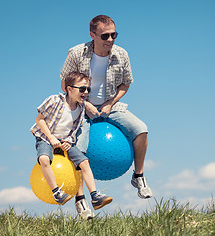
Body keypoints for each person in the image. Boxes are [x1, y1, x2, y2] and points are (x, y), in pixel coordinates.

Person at [59, 15, 153, 199]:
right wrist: (84, 104)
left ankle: (139, 176)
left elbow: (126, 84)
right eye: (105, 36)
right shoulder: (76, 53)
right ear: (93, 35)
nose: (110, 40)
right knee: (77, 148)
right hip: (81, 107)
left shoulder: (122, 54)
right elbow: (64, 84)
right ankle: (80, 199)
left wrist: (110, 103)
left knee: (141, 130)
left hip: (110, 106)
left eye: (113, 35)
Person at [30, 71, 112, 220]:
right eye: (82, 89)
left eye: (88, 89)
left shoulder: (81, 107)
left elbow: (75, 128)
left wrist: (69, 140)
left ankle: (95, 196)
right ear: (69, 89)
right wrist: (51, 138)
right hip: (46, 138)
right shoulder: (54, 100)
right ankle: (57, 192)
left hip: (65, 140)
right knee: (44, 159)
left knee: (84, 162)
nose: (85, 92)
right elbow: (39, 120)